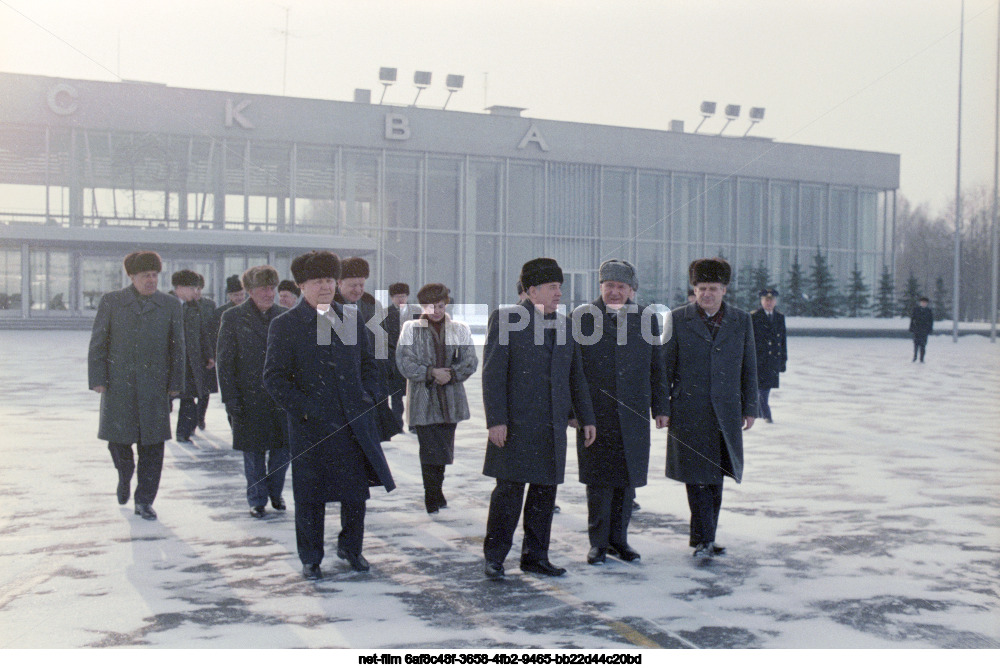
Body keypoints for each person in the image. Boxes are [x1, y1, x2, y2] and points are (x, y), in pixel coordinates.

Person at [263, 251, 395, 579]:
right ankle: (311, 556)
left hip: (352, 423)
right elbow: (274, 378)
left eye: (329, 280)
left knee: (355, 494)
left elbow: (370, 363)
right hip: (312, 428)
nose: (325, 286)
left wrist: (368, 395)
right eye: (317, 280)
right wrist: (307, 410)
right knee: (311, 496)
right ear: (301, 285)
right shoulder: (286, 325)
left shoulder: (349, 318)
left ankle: (352, 549)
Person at [481, 257, 596, 579]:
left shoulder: (565, 324)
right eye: (551, 287)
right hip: (516, 426)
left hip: (551, 427)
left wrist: (584, 417)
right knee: (509, 494)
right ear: (531, 291)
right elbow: (493, 376)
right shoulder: (506, 320)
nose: (559, 293)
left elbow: (576, 376)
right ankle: (495, 557)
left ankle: (535, 556)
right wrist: (496, 421)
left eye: (560, 286)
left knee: (545, 494)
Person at [572, 260, 668, 565]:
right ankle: (598, 542)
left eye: (621, 287)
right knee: (599, 480)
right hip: (595, 415)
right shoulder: (582, 318)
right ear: (600, 286)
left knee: (627, 480)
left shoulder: (646, 318)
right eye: (609, 285)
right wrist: (575, 412)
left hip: (633, 412)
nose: (615, 292)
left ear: (632, 290)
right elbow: (572, 371)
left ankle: (619, 540)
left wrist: (661, 407)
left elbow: (657, 365)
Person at [664, 258, 758, 558]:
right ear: (694, 289)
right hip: (689, 409)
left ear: (724, 290)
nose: (707, 294)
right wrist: (661, 406)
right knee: (697, 476)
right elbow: (664, 366)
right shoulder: (678, 319)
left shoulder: (742, 320)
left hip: (726, 411)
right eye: (702, 288)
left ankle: (704, 536)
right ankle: (704, 537)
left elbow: (749, 366)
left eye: (713, 288)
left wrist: (750, 406)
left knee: (716, 476)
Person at [88, 251, 184, 520]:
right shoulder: (112, 302)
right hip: (119, 385)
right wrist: (97, 378)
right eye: (145, 276)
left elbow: (178, 347)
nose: (151, 280)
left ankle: (144, 500)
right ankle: (125, 473)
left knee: (153, 446)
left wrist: (176, 382)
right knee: (117, 441)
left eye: (155, 275)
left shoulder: (169, 304)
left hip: (155, 387)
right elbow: (98, 342)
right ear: (131, 277)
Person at [396, 283, 478, 514]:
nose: (436, 311)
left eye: (440, 306)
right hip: (424, 398)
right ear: (423, 306)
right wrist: (430, 373)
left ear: (446, 304)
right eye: (431, 307)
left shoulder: (459, 329)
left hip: (450, 399)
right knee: (429, 448)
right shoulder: (411, 329)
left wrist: (450, 374)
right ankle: (431, 495)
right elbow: (404, 361)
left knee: (443, 450)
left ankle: (437, 489)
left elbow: (470, 360)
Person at [216, 265, 290, 518]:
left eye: (272, 288)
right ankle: (257, 499)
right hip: (249, 396)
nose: (269, 293)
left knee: (283, 451)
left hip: (281, 397)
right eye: (263, 288)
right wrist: (230, 398)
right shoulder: (234, 317)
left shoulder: (285, 315)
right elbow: (225, 361)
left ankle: (275, 491)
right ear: (249, 291)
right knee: (254, 452)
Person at [335, 257, 403, 442]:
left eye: (361, 285)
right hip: (342, 389)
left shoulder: (371, 305)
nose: (358, 290)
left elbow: (384, 343)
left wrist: (384, 370)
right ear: (339, 282)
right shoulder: (328, 306)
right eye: (353, 285)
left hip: (372, 386)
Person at [172, 270, 216, 444]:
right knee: (167, 402)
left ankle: (184, 432)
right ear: (180, 288)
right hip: (171, 362)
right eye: (192, 288)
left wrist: (208, 355)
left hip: (192, 361)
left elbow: (203, 333)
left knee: (189, 398)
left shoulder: (193, 306)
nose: (195, 292)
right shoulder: (166, 304)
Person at [751, 288, 787, 424]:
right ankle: (766, 414)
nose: (769, 303)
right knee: (762, 389)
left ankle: (760, 413)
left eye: (771, 300)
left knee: (765, 389)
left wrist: (783, 361)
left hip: (773, 361)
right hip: (759, 360)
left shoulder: (779, 317)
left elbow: (783, 341)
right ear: (761, 301)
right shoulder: (754, 317)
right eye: (766, 300)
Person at [385, 282, 416, 429]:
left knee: (413, 395)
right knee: (396, 396)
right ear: (391, 298)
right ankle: (397, 423)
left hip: (412, 359)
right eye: (397, 297)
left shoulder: (416, 313)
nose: (400, 299)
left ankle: (413, 424)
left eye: (403, 296)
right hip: (393, 360)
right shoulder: (385, 314)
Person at [195, 273, 218, 431]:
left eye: (198, 288)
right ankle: (189, 422)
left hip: (207, 351)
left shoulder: (209, 305)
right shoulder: (183, 305)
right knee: (189, 391)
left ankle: (200, 418)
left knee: (205, 390)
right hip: (191, 352)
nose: (196, 291)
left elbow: (214, 328)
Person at [909, 296, 933, 362]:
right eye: (922, 302)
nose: (923, 303)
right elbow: (912, 319)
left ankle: (922, 358)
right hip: (917, 329)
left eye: (925, 302)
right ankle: (915, 356)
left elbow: (931, 321)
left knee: (923, 345)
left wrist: (930, 329)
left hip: (924, 330)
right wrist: (911, 328)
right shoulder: (916, 309)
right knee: (916, 344)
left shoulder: (928, 311)